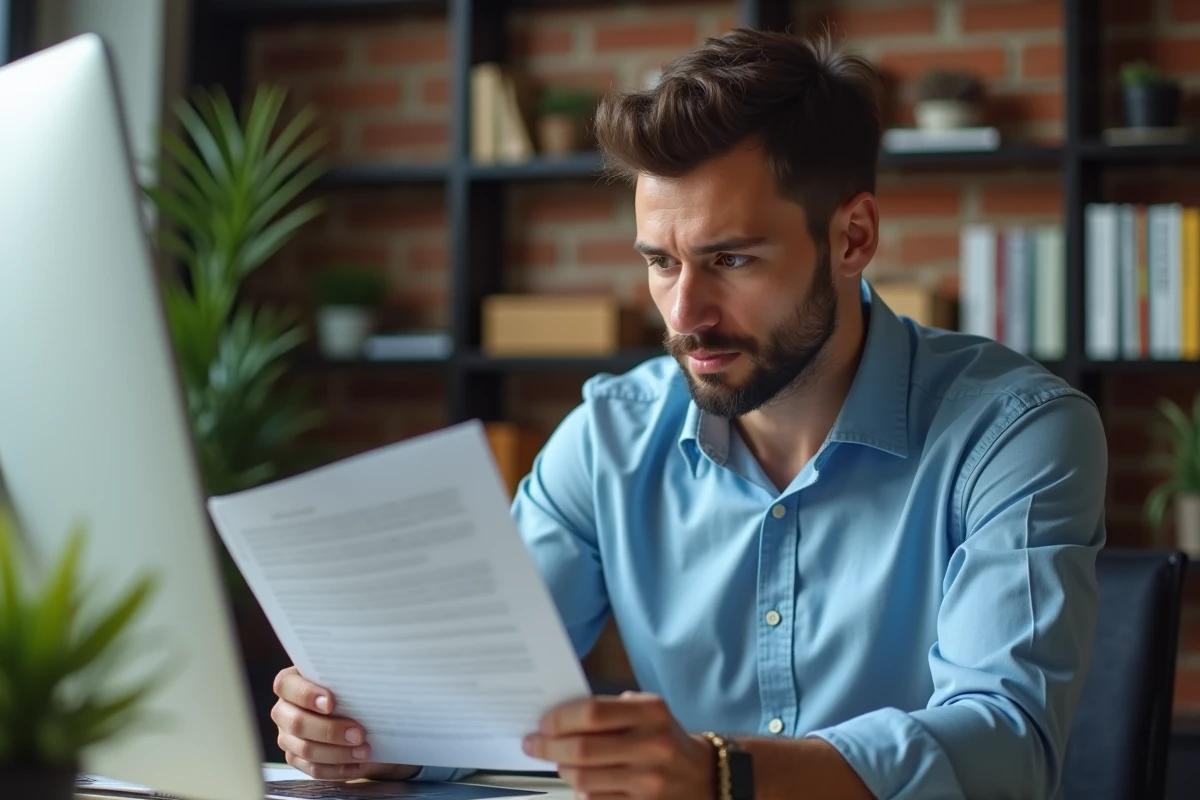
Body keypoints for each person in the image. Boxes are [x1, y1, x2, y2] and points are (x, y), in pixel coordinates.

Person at [269, 27, 1107, 800]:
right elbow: (476, 693)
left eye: (730, 259)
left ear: (852, 238)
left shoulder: (1017, 433)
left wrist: (724, 775)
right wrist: (377, 733)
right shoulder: (608, 439)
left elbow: (1007, 747)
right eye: (660, 263)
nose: (685, 313)